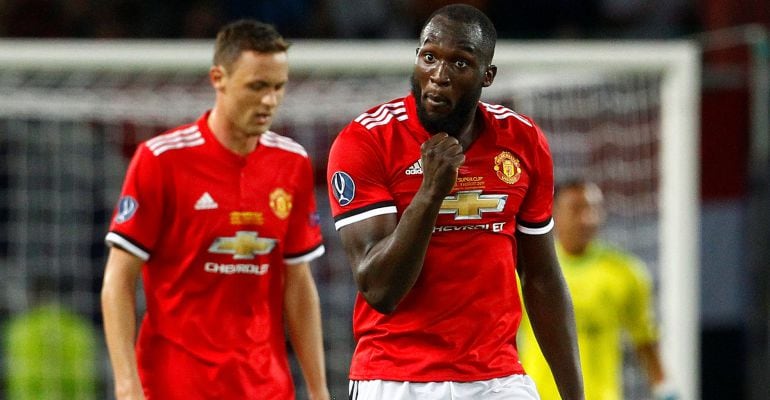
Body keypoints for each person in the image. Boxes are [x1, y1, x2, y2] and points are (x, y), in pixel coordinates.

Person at [326, 4, 584, 400]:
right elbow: (380, 290)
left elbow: (542, 278)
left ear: (487, 75)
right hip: (396, 378)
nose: (439, 77)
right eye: (429, 57)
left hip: (498, 379)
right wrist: (431, 193)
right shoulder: (366, 142)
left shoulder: (522, 140)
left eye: (460, 63)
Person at [100, 19, 329, 400]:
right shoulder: (161, 160)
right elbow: (118, 279)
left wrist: (319, 389)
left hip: (266, 387)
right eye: (257, 86)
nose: (269, 100)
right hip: (174, 385)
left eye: (278, 87)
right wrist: (127, 385)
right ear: (218, 78)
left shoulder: (293, 163)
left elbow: (298, 281)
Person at [517, 180, 677, 400]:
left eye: (593, 209)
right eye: (576, 209)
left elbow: (645, 343)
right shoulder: (529, 271)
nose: (587, 218)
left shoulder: (625, 272)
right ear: (553, 212)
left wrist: (667, 393)